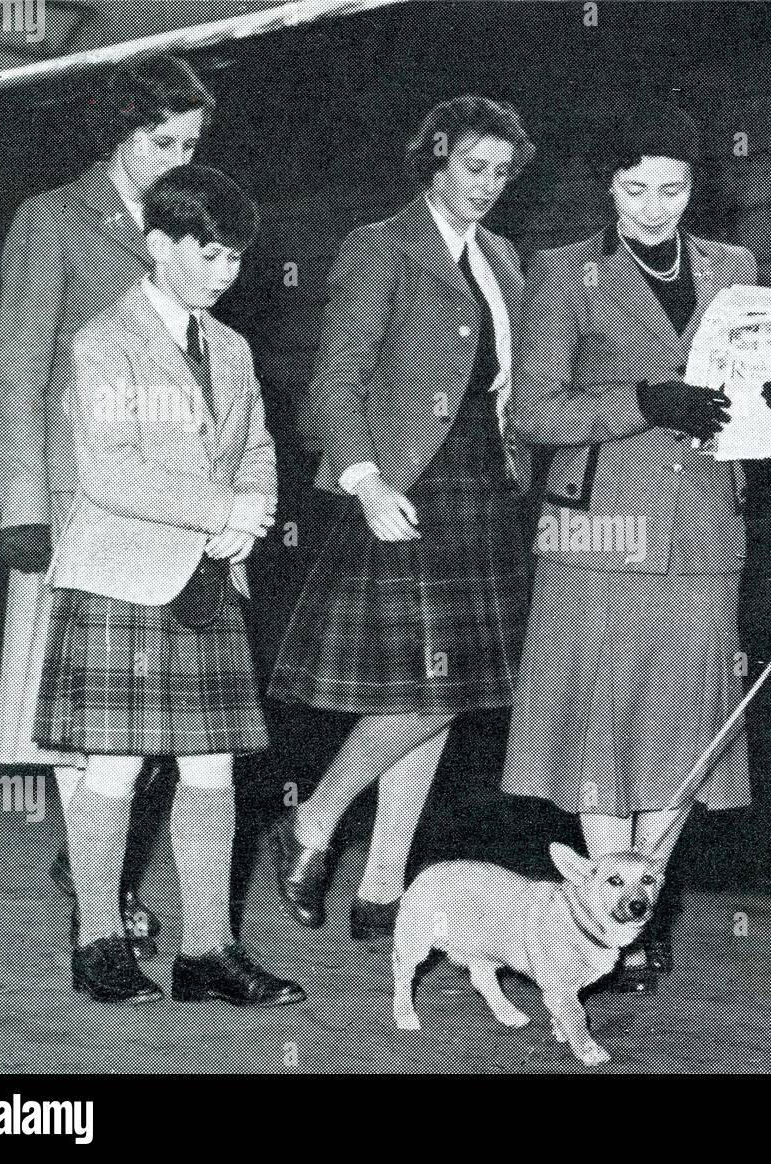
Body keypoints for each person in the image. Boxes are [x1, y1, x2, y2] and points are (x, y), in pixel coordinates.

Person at [499, 99, 754, 992]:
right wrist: (646, 401)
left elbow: (754, 394)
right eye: (636, 188)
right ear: (607, 186)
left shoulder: (736, 267)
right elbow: (531, 413)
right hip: (598, 533)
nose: (655, 207)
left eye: (673, 189)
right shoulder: (566, 273)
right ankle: (608, 919)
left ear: (696, 187)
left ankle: (643, 899)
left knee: (686, 733)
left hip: (706, 532)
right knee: (601, 735)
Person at [34, 164, 304, 1006]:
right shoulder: (102, 340)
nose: (226, 273)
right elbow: (109, 473)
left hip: (210, 576)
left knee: (214, 768)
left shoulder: (231, 347)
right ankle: (98, 943)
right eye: (211, 253)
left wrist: (249, 512)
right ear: (158, 245)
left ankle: (206, 953)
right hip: (124, 578)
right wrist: (221, 509)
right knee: (112, 772)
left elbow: (257, 445)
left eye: (236, 258)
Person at [267, 96, 535, 940]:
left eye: (502, 173)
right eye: (473, 168)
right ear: (437, 157)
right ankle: (313, 820)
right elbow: (332, 384)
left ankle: (382, 887)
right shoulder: (380, 247)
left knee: (444, 694)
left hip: (484, 490)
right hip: (406, 487)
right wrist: (366, 482)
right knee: (429, 690)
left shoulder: (503, 256)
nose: (488, 187)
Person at [0, 55, 215, 960]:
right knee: (83, 715)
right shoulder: (52, 220)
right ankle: (104, 899)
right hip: (77, 507)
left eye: (191, 143)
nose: (178, 158)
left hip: (165, 508)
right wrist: (23, 507)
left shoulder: (191, 229)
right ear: (117, 134)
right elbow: (19, 372)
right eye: (162, 141)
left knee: (154, 720)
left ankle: (94, 869)